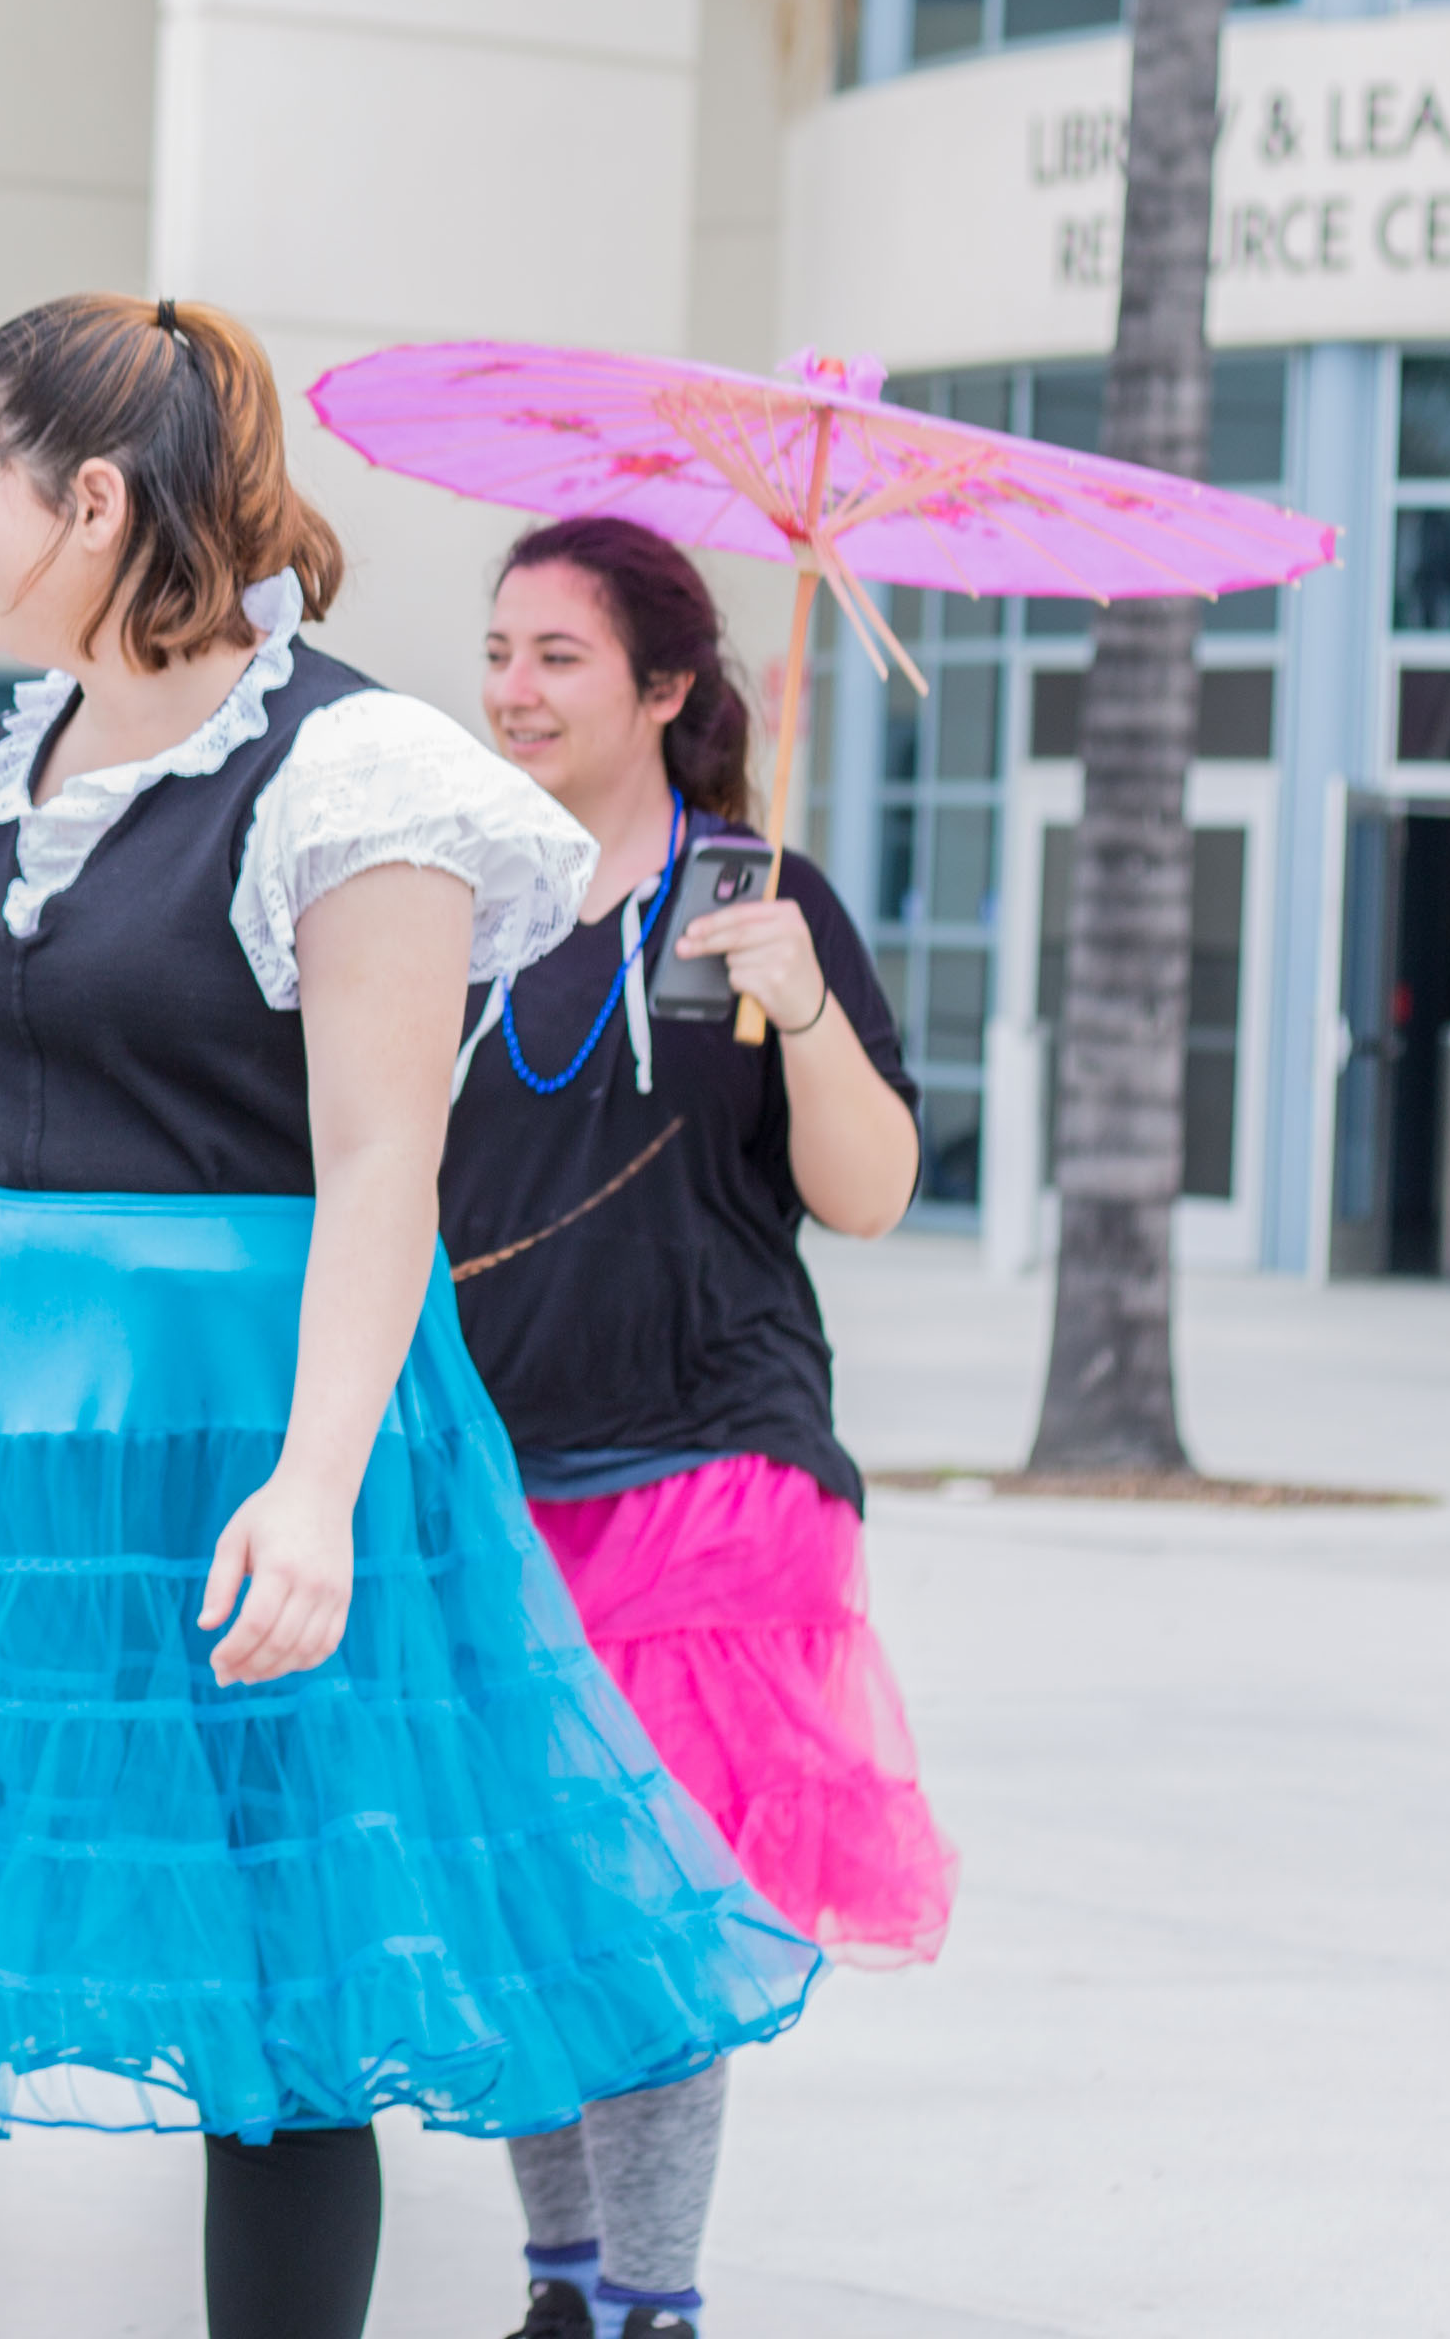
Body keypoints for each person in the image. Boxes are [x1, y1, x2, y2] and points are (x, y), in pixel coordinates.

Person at [0, 297, 821, 2339]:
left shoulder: (354, 771)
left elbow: (381, 1163)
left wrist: (313, 1489)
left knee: (285, 2000)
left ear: (96, 504)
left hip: (255, 1430)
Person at [455, 518, 949, 2339]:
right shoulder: (448, 894)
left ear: (667, 688)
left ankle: (650, 2300)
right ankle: (564, 2284)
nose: (513, 689)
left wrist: (800, 1003)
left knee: (641, 1903)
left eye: (558, 656)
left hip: (714, 1462)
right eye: (498, 650)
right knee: (521, 1902)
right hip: (490, 1472)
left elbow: (869, 1190)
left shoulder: (765, 902)